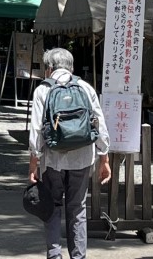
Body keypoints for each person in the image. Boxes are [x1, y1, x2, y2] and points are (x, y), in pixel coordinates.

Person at [29, 47, 110, 259]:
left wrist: (33, 164)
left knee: (52, 207)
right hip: (82, 158)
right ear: (71, 67)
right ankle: (78, 256)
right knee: (77, 209)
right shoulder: (85, 88)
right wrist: (105, 157)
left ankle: (54, 255)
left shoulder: (43, 90)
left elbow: (37, 130)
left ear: (48, 68)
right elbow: (99, 124)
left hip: (53, 160)